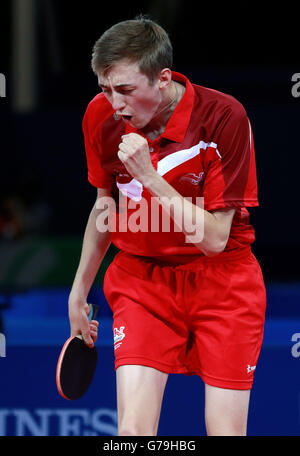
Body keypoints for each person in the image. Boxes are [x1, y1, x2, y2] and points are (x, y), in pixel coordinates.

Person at [68, 16, 266, 436]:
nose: (115, 103)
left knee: (225, 431)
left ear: (162, 78)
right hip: (142, 280)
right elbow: (105, 207)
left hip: (223, 281)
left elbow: (214, 239)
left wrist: (150, 177)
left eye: (125, 90)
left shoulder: (224, 117)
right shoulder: (100, 117)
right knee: (134, 432)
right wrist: (79, 290)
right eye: (105, 89)